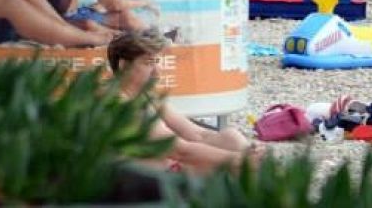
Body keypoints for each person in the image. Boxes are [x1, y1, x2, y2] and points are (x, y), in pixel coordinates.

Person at [107, 30, 260, 175]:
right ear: (123, 65)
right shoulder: (117, 102)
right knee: (237, 167)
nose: (157, 71)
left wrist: (249, 152)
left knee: (230, 137)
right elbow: (180, 151)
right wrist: (239, 160)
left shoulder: (145, 95)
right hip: (139, 181)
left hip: (168, 167)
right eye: (148, 63)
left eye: (157, 62)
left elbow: (197, 134)